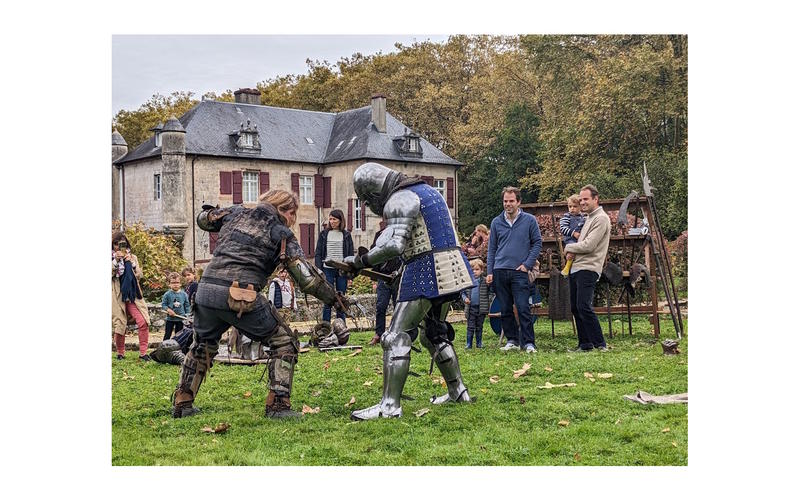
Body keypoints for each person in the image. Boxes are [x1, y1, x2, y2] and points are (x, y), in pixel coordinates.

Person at [171, 189, 346, 419]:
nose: (294, 220)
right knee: (284, 341)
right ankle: (278, 405)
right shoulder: (281, 232)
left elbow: (203, 220)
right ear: (287, 212)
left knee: (202, 344)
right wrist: (335, 299)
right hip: (240, 294)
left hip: (205, 291)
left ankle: (183, 403)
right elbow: (308, 279)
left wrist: (214, 213)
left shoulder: (234, 213)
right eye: (294, 214)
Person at [340, 162, 476, 420]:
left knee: (395, 336)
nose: (368, 206)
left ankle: (389, 406)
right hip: (452, 269)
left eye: (367, 200)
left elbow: (393, 244)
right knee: (433, 334)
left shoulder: (400, 199)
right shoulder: (429, 192)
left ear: (373, 192)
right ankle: (458, 391)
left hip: (427, 270)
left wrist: (359, 262)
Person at [486, 186, 543, 353]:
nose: (508, 204)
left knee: (523, 307)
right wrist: (490, 271)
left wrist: (527, 264)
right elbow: (492, 249)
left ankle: (528, 342)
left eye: (511, 201)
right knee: (504, 308)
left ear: (519, 202)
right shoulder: (496, 222)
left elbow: (537, 243)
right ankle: (512, 340)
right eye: (505, 201)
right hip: (500, 270)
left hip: (520, 271)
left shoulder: (530, 220)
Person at [564, 184, 612, 352]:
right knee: (576, 307)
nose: (582, 202)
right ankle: (585, 344)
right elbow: (582, 244)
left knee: (584, 306)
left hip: (589, 267)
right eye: (581, 199)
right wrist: (573, 253)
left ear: (595, 199)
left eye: (586, 199)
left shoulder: (601, 218)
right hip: (577, 267)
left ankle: (600, 344)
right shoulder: (589, 217)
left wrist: (570, 248)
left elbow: (590, 245)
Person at [111, 232, 152, 361]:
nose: (119, 247)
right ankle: (120, 353)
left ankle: (143, 353)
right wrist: (116, 261)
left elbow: (139, 275)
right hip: (117, 296)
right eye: (116, 244)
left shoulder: (132, 257)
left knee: (143, 321)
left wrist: (132, 264)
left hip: (133, 295)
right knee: (120, 324)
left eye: (122, 243)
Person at [315, 209, 354, 325]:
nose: (332, 221)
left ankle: (340, 326)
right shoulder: (324, 234)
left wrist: (350, 273)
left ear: (340, 220)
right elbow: (318, 253)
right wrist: (319, 269)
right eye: (330, 219)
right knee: (328, 299)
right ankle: (325, 327)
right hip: (327, 269)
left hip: (342, 270)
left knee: (341, 299)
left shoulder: (346, 235)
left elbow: (350, 255)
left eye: (334, 219)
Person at [368, 220, 401, 346]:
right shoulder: (379, 235)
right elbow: (374, 256)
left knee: (398, 307)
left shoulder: (400, 236)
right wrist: (374, 278)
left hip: (397, 276)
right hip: (383, 276)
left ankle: (397, 333)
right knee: (381, 306)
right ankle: (379, 334)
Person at [461, 258, 489, 349]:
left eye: (477, 269)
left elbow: (491, 292)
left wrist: (489, 300)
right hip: (471, 308)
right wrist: (465, 299)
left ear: (482, 270)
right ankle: (468, 343)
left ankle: (479, 343)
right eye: (472, 270)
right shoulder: (467, 282)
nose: (474, 272)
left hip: (481, 308)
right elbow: (462, 292)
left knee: (479, 327)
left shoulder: (485, 281)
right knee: (470, 327)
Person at [161, 272, 191, 341]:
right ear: (169, 284)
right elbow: (163, 305)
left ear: (180, 283)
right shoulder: (167, 294)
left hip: (180, 319)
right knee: (167, 335)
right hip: (170, 319)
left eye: (177, 282)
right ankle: (164, 348)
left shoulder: (184, 294)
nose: (175, 285)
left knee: (179, 336)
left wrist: (187, 315)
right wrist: (168, 310)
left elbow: (187, 306)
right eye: (173, 283)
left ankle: (178, 348)